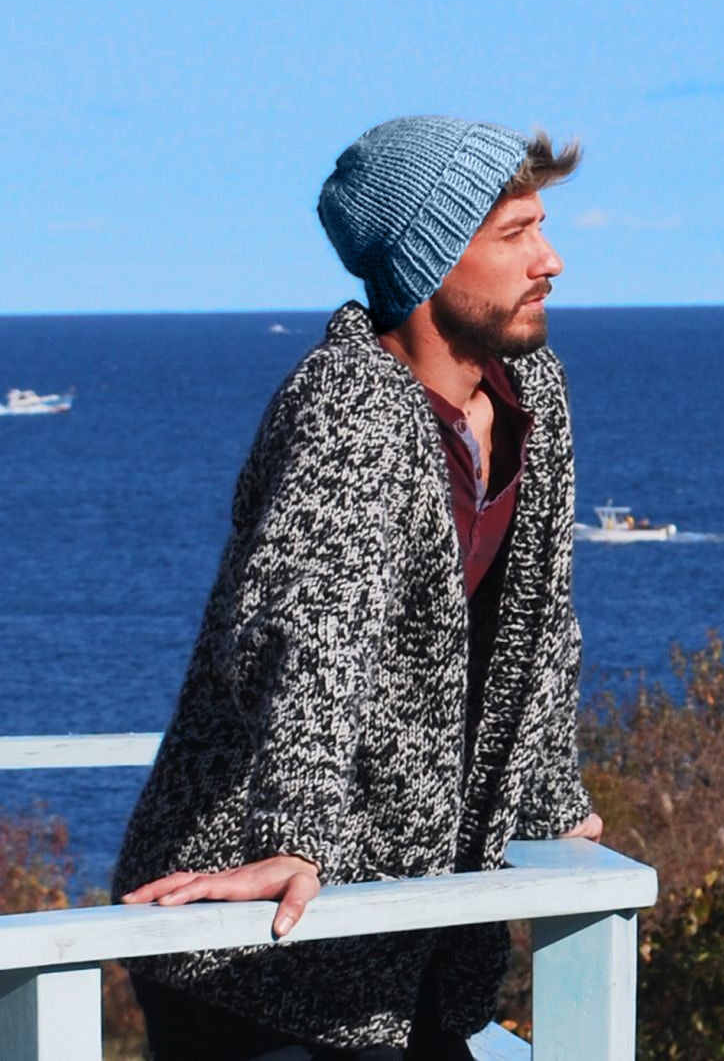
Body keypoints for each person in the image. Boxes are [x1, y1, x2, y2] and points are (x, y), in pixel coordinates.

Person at [113, 114, 603, 1060]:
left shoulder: (530, 390)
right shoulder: (351, 407)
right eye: (514, 234)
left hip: (400, 916)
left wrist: (547, 799)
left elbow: (539, 624)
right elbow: (305, 635)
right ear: (427, 260)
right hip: (250, 923)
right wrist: (294, 834)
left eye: (541, 229)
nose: (549, 261)